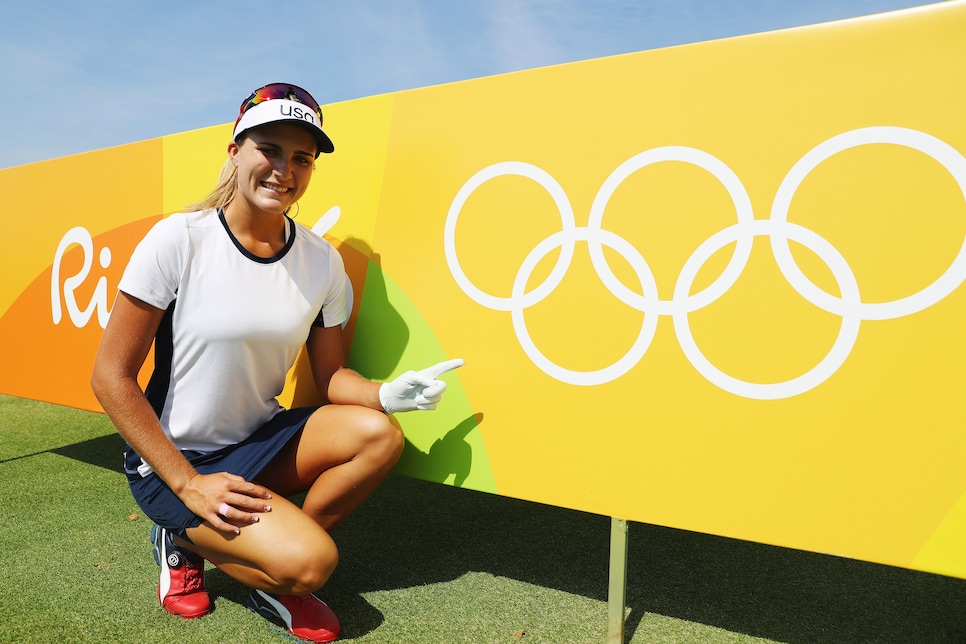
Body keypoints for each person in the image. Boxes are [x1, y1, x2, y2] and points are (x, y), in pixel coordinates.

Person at [90, 82, 463, 643]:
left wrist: (384, 394)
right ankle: (185, 537)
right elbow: (110, 377)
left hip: (259, 441)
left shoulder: (322, 261)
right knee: (313, 565)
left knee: (379, 435)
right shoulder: (178, 240)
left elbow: (332, 376)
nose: (284, 169)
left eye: (302, 158)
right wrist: (190, 484)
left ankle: (269, 572)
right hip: (174, 460)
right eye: (269, 149)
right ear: (236, 151)